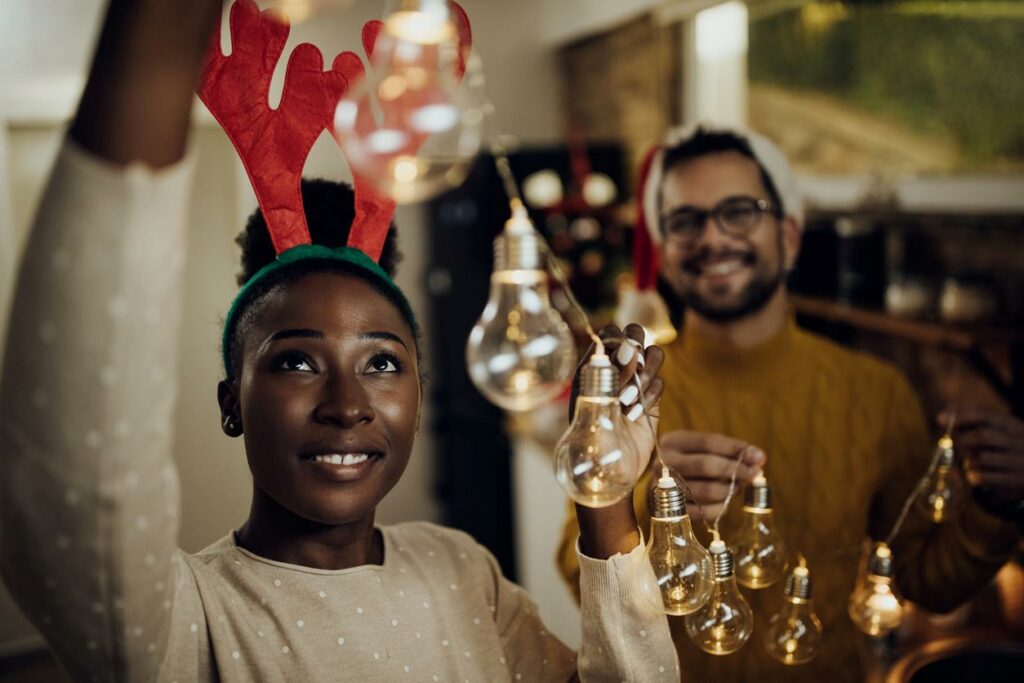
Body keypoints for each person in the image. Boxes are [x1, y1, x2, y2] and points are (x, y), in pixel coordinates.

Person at [0, 1, 680, 680]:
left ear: (417, 398)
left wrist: (605, 499)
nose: (348, 403)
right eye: (296, 360)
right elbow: (78, 476)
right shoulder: (178, 619)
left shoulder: (461, 569)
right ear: (231, 400)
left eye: (381, 361)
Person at [558, 124, 1022, 682]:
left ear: (790, 237)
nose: (712, 238)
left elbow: (927, 581)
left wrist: (999, 505)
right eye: (685, 220)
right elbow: (573, 570)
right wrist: (642, 510)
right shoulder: (637, 390)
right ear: (664, 250)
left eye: (738, 211)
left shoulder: (876, 391)